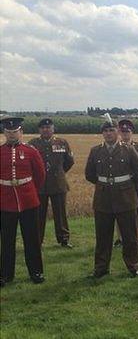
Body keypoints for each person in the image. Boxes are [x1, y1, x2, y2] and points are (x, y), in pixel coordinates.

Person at [85, 116, 138, 278]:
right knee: (103, 236)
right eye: (105, 131)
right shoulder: (95, 151)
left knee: (130, 236)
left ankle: (133, 266)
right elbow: (89, 174)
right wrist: (104, 184)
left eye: (112, 130)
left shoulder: (129, 149)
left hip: (126, 198)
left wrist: (126, 185)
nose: (109, 133)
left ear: (118, 132)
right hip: (103, 199)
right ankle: (101, 268)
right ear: (102, 134)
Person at [0, 117, 46, 287]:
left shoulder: (31, 151)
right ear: (4, 132)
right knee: (6, 240)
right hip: (5, 202)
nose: (12, 134)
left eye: (15, 131)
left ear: (21, 132)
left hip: (28, 201)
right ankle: (5, 275)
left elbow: (40, 176)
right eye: (9, 132)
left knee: (32, 238)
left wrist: (30, 191)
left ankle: (36, 271)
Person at [28, 118, 75, 247]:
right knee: (39, 214)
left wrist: (59, 172)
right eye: (43, 128)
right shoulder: (33, 144)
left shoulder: (62, 143)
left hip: (58, 184)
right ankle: (37, 240)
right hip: (40, 185)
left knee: (60, 214)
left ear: (53, 129)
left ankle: (64, 239)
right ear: (39, 130)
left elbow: (69, 162)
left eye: (48, 127)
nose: (46, 130)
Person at [114, 119, 138, 247]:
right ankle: (121, 239)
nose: (125, 134)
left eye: (127, 131)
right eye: (123, 132)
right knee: (118, 212)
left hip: (136, 186)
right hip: (120, 186)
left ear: (132, 132)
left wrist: (132, 179)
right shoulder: (115, 147)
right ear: (119, 133)